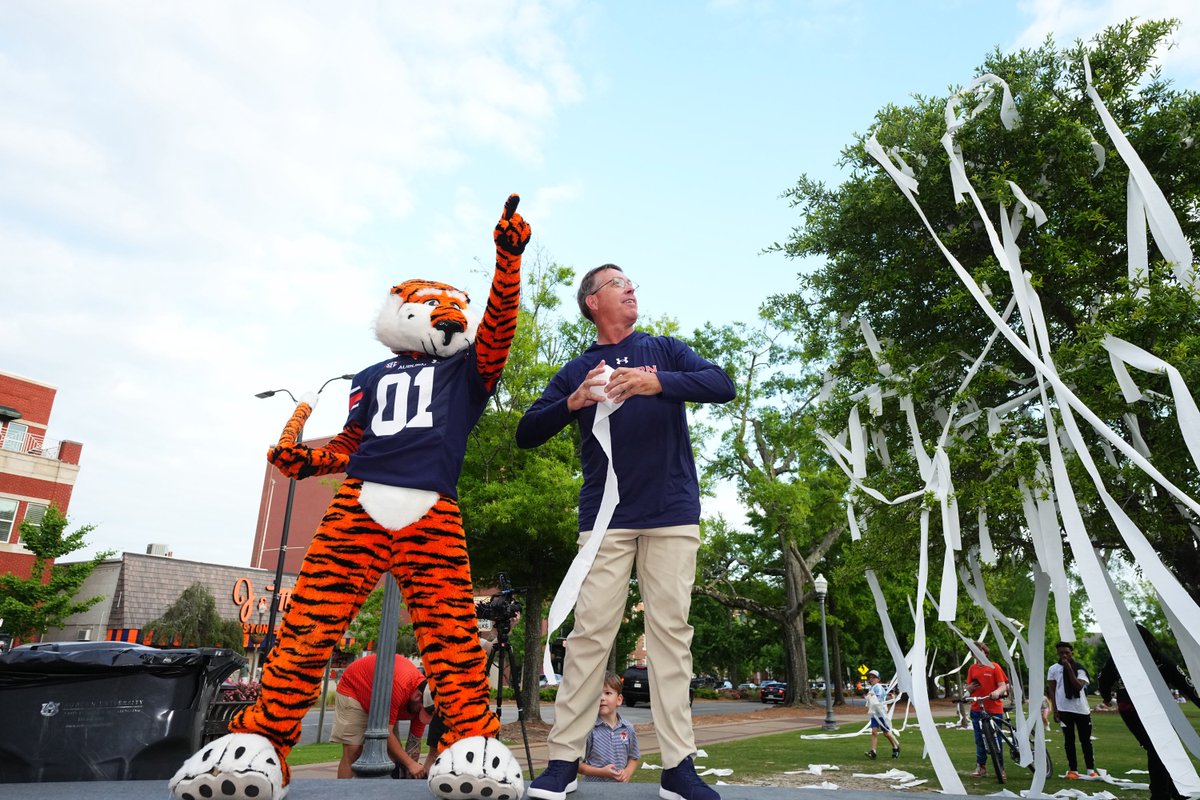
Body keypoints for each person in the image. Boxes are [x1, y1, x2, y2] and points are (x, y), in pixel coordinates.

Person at [517, 263, 736, 800]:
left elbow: (721, 385)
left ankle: (678, 769)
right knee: (590, 636)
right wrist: (574, 402)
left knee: (670, 638)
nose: (631, 288)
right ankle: (563, 763)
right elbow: (527, 431)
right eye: (618, 283)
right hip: (604, 519)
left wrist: (654, 383)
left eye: (631, 283)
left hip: (672, 511)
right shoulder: (577, 368)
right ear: (593, 302)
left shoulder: (664, 350)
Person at [1099, 625, 1200, 800]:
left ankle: (1172, 791)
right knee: (1159, 748)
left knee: (1161, 749)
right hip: (1143, 708)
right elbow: (1185, 683)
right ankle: (1161, 793)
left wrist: (1107, 696)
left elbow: (1104, 680)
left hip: (1135, 707)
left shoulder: (1120, 658)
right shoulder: (1155, 658)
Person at [331, 653, 432, 780]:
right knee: (353, 751)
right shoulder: (400, 685)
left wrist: (412, 771)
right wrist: (410, 764)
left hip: (384, 699)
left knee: (394, 756)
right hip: (355, 688)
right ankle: (343, 793)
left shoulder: (426, 700)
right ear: (417, 696)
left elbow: (414, 741)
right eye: (420, 711)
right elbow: (386, 732)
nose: (419, 715)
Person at [1046, 640, 1098, 778]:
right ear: (1057, 653)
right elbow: (1052, 690)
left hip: (1081, 709)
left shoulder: (1079, 669)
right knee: (1069, 740)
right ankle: (1073, 770)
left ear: (1072, 653)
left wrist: (1068, 668)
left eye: (1067, 653)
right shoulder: (1053, 669)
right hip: (1064, 709)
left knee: (1085, 740)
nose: (1064, 655)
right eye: (1061, 652)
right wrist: (1055, 710)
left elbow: (1078, 686)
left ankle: (1090, 769)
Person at [578, 672, 640, 782]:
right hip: (593, 791)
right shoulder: (589, 729)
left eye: (607, 693)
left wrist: (627, 772)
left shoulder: (628, 728)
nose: (602, 698)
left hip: (619, 790)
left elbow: (633, 757)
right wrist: (601, 772)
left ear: (619, 699)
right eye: (597, 694)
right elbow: (577, 765)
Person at [965, 641, 1009, 780]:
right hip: (977, 708)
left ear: (985, 652)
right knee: (979, 740)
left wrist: (997, 692)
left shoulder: (994, 667)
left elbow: (1003, 686)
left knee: (996, 740)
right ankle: (981, 767)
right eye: (974, 652)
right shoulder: (972, 668)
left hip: (994, 708)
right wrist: (969, 689)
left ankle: (1001, 768)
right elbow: (969, 687)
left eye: (980, 651)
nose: (978, 654)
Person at [863, 670, 900, 759]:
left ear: (878, 679)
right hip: (874, 714)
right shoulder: (872, 688)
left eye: (873, 677)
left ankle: (896, 747)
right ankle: (873, 752)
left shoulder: (878, 687)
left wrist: (869, 697)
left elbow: (878, 699)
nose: (871, 679)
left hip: (881, 714)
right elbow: (870, 699)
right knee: (874, 732)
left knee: (886, 733)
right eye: (870, 677)